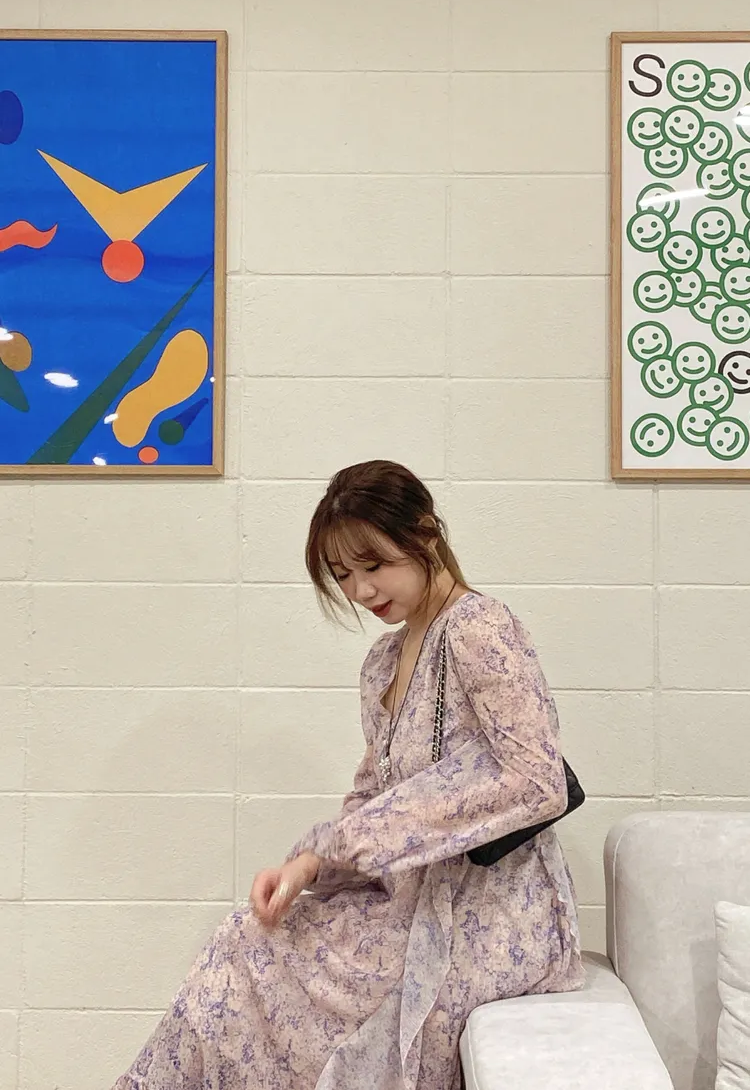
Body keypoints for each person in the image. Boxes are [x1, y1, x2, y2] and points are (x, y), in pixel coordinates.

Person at [112, 460, 584, 1090]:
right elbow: (370, 795)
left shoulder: (480, 628)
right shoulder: (384, 660)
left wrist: (349, 843)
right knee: (243, 941)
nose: (361, 591)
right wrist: (310, 864)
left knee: (249, 958)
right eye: (342, 575)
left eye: (374, 565)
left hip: (492, 914)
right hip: (407, 903)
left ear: (425, 532)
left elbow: (535, 779)